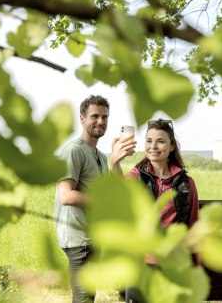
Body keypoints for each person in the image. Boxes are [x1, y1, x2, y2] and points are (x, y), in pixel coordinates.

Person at [54, 95, 136, 303]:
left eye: (105, 117)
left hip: (93, 237)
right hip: (78, 238)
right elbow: (66, 195)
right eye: (95, 116)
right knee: (83, 297)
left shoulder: (100, 156)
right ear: (82, 118)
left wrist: (116, 161)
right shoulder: (74, 151)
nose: (101, 121)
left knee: (88, 295)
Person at [122, 119, 200, 303]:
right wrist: (115, 163)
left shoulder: (186, 184)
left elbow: (194, 227)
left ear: (172, 146)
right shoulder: (135, 177)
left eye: (161, 141)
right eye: (149, 141)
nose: (153, 146)